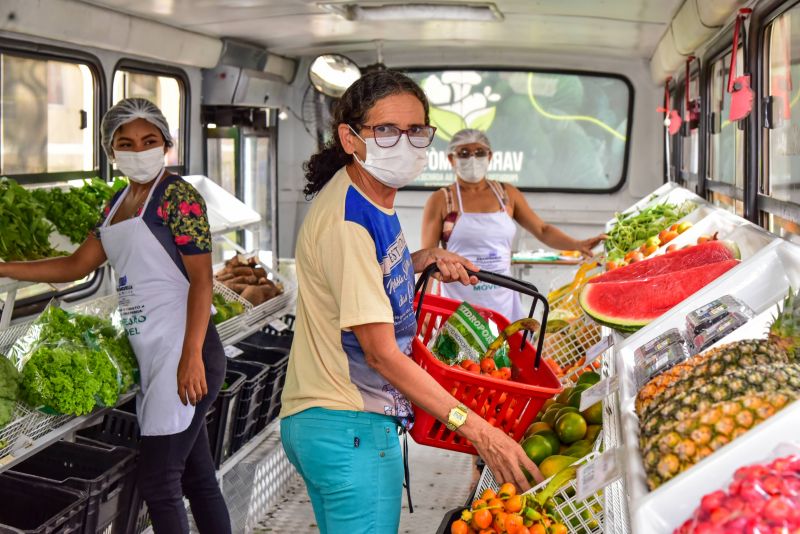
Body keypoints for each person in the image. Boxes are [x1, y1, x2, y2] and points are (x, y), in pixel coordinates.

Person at [279, 70, 543, 534]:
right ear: (350, 137)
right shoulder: (350, 222)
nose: (403, 144)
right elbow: (380, 354)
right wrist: (480, 430)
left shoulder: (368, 196)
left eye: (416, 131)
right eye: (385, 130)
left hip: (328, 422)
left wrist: (422, 259)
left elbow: (367, 275)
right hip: (349, 426)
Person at [0, 98, 231, 534]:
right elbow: (74, 266)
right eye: (126, 143)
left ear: (166, 144)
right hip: (156, 354)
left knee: (160, 482)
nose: (138, 149)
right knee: (197, 477)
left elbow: (201, 281)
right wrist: (5, 267)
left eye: (149, 140)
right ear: (112, 151)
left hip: (186, 353)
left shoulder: (178, 196)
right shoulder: (116, 203)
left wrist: (192, 355)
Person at [421, 128, 606, 321]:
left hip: (503, 298)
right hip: (458, 299)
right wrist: (424, 306)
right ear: (451, 159)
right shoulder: (442, 200)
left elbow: (542, 230)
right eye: (464, 153)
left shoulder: (507, 194)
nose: (473, 159)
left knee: (506, 349)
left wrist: (577, 245)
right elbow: (429, 257)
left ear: (490, 156)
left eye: (479, 153)